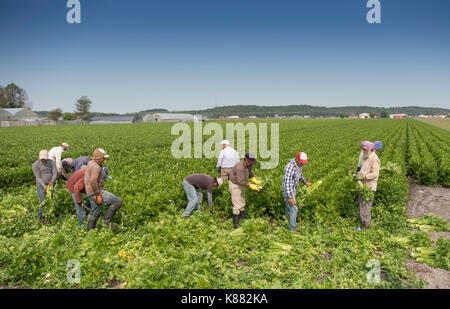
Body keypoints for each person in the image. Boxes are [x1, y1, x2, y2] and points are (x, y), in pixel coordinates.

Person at [85, 148, 122, 230]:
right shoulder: (95, 166)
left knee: (95, 213)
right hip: (97, 191)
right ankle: (107, 222)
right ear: (98, 158)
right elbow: (93, 181)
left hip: (90, 192)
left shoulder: (91, 163)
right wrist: (98, 195)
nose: (104, 159)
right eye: (103, 158)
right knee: (117, 202)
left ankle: (90, 232)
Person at [229, 152, 261, 229]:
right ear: (246, 160)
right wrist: (251, 185)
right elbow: (240, 181)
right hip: (235, 185)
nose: (251, 164)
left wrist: (254, 179)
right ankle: (236, 225)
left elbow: (250, 172)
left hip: (241, 184)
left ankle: (242, 220)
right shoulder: (240, 167)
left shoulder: (248, 164)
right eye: (251, 162)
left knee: (242, 202)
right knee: (237, 204)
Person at [281, 152, 312, 233]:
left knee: (289, 208)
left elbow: (300, 176)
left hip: (293, 189)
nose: (303, 164)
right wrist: (290, 197)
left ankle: (286, 223)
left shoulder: (299, 166)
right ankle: (292, 230)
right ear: (297, 159)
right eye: (302, 162)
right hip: (288, 191)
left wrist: (306, 182)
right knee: (294, 208)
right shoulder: (289, 167)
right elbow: (287, 183)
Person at [354, 141, 381, 231]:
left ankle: (365, 227)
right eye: (362, 149)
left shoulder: (374, 159)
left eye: (365, 149)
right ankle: (363, 224)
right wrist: (357, 174)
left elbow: (374, 174)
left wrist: (363, 176)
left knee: (365, 207)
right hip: (363, 186)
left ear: (370, 149)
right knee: (362, 205)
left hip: (369, 187)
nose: (363, 151)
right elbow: (363, 169)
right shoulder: (366, 157)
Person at [31, 150, 57, 224]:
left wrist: (52, 180)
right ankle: (41, 217)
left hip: (50, 185)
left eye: (44, 158)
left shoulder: (52, 162)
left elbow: (54, 173)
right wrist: (44, 186)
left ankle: (49, 215)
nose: (43, 160)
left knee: (50, 200)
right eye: (42, 159)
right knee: (42, 201)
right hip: (41, 185)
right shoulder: (35, 164)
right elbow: (38, 177)